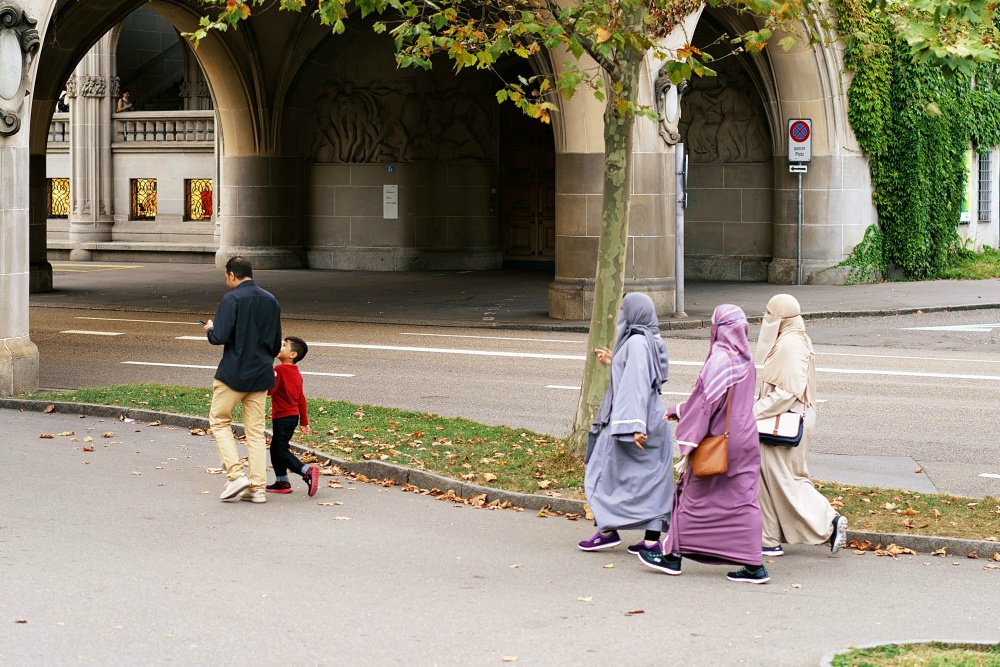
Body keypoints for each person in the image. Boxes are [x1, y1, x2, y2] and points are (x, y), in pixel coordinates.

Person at [638, 304, 770, 584]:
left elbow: (705, 405)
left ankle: (672, 557)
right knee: (742, 500)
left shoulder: (719, 360)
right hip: (746, 438)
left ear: (718, 328)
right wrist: (681, 409)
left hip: (719, 441)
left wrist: (682, 418)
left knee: (692, 496)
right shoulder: (746, 361)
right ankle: (754, 566)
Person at [578, 293, 674, 555]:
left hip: (633, 421)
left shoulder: (636, 343)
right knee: (652, 482)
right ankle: (652, 540)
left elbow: (635, 386)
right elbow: (642, 373)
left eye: (623, 309)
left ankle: (607, 531)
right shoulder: (652, 338)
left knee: (603, 473)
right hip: (655, 419)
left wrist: (634, 427)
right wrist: (614, 360)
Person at [753, 294, 847, 556]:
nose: (765, 318)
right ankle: (768, 538)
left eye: (770, 313)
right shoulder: (793, 338)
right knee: (767, 478)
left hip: (786, 421)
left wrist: (751, 414)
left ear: (782, 318)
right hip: (786, 420)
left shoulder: (791, 344)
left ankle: (830, 522)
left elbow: (787, 392)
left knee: (785, 479)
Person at [203, 256, 282, 504]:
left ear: (231, 275)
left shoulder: (232, 298)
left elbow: (221, 336)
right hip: (261, 373)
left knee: (219, 420)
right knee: (256, 432)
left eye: (226, 276)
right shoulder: (271, 300)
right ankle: (257, 488)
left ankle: (235, 475)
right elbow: (276, 342)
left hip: (233, 373)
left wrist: (209, 329)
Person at [266, 336, 320, 496]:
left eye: (284, 345)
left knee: (279, 450)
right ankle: (282, 481)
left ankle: (305, 471)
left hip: (282, 417)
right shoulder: (296, 372)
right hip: (292, 417)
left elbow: (270, 390)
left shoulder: (279, 370)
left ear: (293, 355)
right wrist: (304, 421)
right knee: (277, 449)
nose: (279, 346)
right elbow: (301, 399)